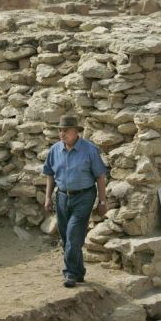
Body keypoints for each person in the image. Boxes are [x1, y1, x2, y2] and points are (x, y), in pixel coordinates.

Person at [43, 115, 107, 288]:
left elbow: (100, 176)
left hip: (84, 196)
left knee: (73, 234)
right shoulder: (55, 150)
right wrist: (48, 197)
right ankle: (79, 272)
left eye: (66, 131)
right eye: (60, 130)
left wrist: (102, 201)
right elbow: (49, 173)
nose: (62, 134)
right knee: (66, 237)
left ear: (75, 132)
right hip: (62, 196)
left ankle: (70, 273)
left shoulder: (90, 150)